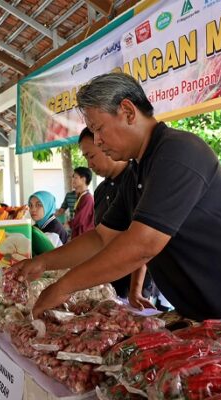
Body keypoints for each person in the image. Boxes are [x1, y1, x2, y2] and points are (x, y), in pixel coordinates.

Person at [14, 73, 221, 354]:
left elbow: (142, 246)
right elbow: (102, 238)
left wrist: (64, 286)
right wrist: (44, 263)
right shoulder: (136, 172)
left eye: (99, 128)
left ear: (128, 111)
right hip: (210, 313)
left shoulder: (177, 151)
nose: (97, 141)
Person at [78, 127, 153, 307]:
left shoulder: (137, 180)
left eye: (91, 156)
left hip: (135, 285)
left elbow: (143, 242)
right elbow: (99, 237)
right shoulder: (101, 190)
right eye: (86, 158)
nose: (89, 164)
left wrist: (135, 289)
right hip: (108, 281)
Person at [68, 166, 95, 239]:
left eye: (75, 177)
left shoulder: (88, 198)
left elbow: (80, 220)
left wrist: (67, 224)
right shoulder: (81, 196)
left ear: (83, 179)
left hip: (84, 238)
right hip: (78, 236)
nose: (72, 180)